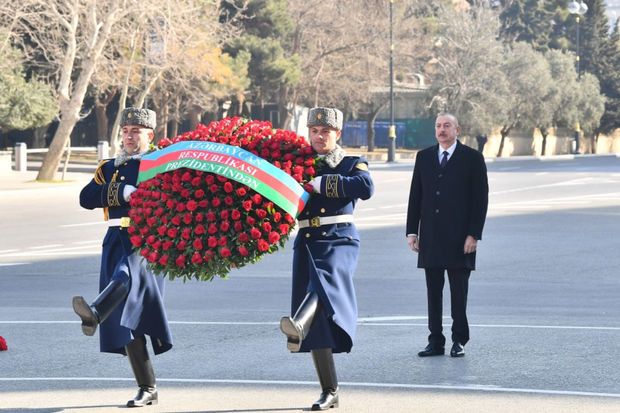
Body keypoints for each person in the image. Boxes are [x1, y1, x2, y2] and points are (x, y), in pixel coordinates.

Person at [73, 107, 173, 407]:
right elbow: (86, 197)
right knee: (129, 319)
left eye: (136, 131)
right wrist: (119, 191)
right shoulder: (108, 167)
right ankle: (148, 387)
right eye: (126, 131)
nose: (129, 136)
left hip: (148, 239)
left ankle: (95, 311)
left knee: (126, 277)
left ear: (150, 135)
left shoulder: (160, 165)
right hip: (116, 238)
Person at [279, 107, 374, 411]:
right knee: (319, 322)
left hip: (339, 237)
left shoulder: (349, 162)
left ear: (338, 134)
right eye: (314, 131)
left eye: (325, 132)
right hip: (307, 240)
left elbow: (365, 187)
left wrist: (326, 183)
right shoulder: (299, 163)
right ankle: (329, 391)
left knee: (323, 284)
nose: (319, 137)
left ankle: (297, 324)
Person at [406, 112, 488, 358]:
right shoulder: (424, 157)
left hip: (460, 239)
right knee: (433, 292)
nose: (442, 130)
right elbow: (415, 196)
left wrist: (473, 235)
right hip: (430, 237)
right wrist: (412, 231)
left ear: (457, 129)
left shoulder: (473, 158)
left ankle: (459, 339)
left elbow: (480, 200)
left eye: (447, 126)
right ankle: (435, 340)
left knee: (458, 292)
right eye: (438, 126)